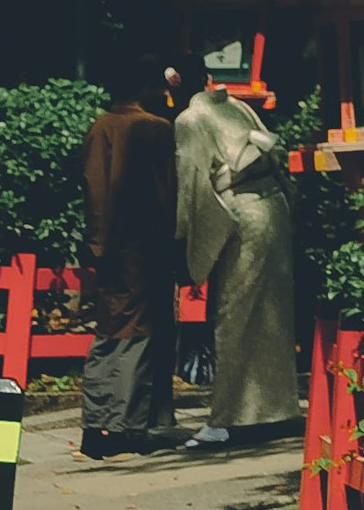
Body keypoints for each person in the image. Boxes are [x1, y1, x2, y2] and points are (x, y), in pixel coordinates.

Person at [174, 55, 303, 449]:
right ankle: (276, 411)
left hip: (241, 215)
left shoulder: (190, 120)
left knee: (233, 314)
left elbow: (191, 181)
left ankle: (228, 417)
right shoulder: (237, 106)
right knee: (270, 316)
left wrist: (182, 236)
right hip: (273, 209)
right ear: (208, 79)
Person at [77, 55, 179, 457]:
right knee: (138, 333)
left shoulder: (100, 127)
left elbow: (93, 187)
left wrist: (97, 242)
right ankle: (127, 424)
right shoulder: (156, 129)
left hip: (111, 244)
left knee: (109, 329)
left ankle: (97, 421)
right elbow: (168, 193)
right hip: (146, 242)